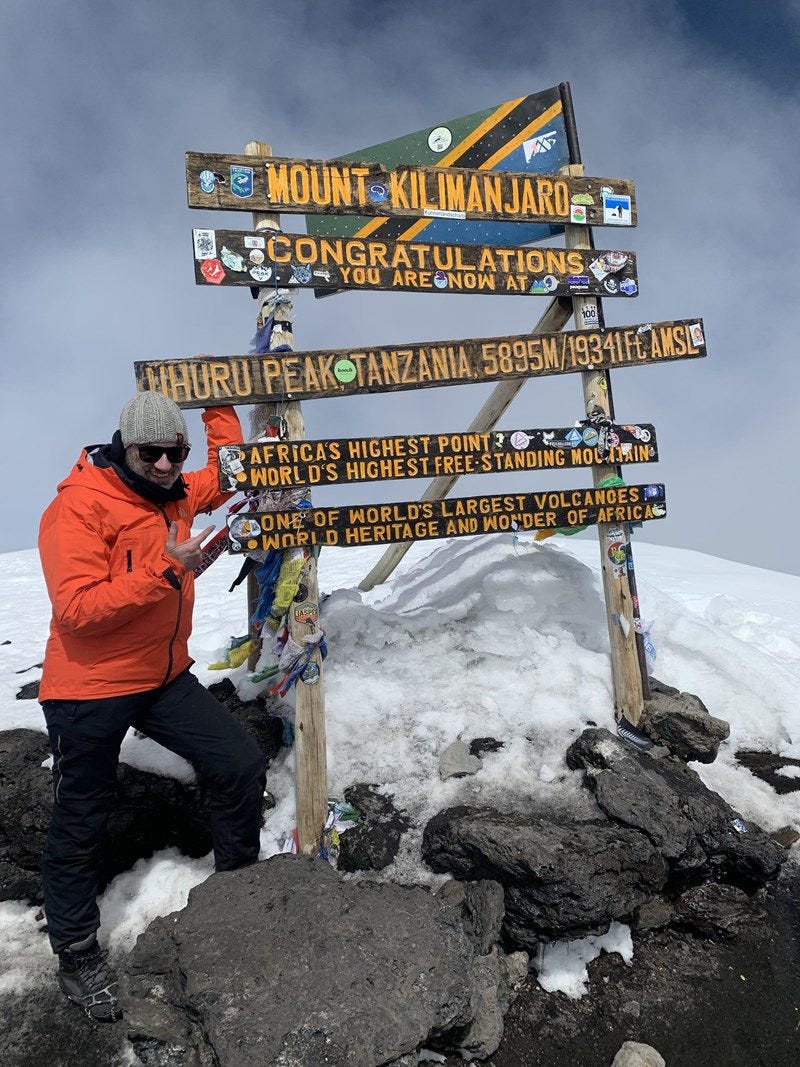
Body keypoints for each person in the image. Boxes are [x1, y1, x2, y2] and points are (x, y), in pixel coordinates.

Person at [37, 390, 267, 1022]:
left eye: (175, 453)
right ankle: (77, 952)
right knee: (82, 817)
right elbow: (77, 611)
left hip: (160, 676)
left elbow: (225, 473)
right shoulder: (78, 506)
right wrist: (166, 569)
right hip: (87, 687)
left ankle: (237, 892)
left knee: (240, 764)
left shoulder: (176, 491)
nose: (166, 465)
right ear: (124, 446)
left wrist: (219, 402)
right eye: (152, 453)